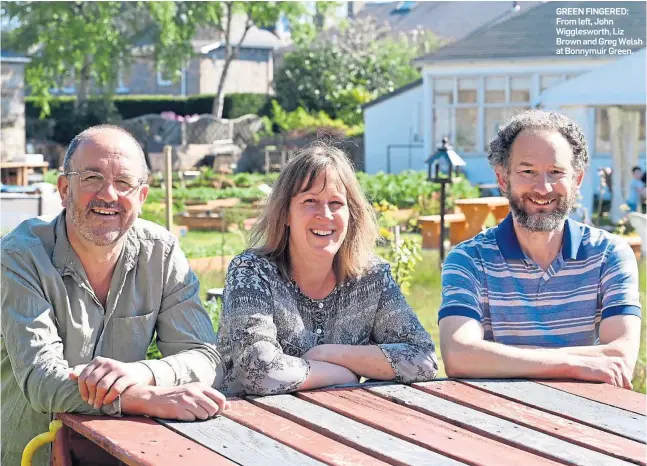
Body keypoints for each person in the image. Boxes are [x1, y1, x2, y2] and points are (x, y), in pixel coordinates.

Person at [1, 125, 228, 466]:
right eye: (92, 178)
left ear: (142, 197)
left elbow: (204, 357)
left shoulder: (161, 253)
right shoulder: (20, 257)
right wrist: (146, 397)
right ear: (65, 189)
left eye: (124, 183)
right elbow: (42, 380)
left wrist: (143, 373)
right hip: (34, 453)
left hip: (125, 453)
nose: (108, 194)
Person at [438, 110, 641, 389]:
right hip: (494, 417)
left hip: (591, 418)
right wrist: (574, 364)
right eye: (528, 171)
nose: (543, 188)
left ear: (577, 180)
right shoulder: (468, 260)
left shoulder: (609, 255)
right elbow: (458, 355)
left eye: (556, 172)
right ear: (502, 179)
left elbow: (619, 357)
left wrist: (497, 359)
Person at [215, 144, 438, 396]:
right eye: (310, 201)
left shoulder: (371, 278)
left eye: (336, 203)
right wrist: (341, 374)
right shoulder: (252, 272)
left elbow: (424, 360)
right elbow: (258, 372)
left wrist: (328, 353)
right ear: (285, 213)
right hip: (245, 425)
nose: (325, 214)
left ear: (351, 214)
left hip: (340, 422)